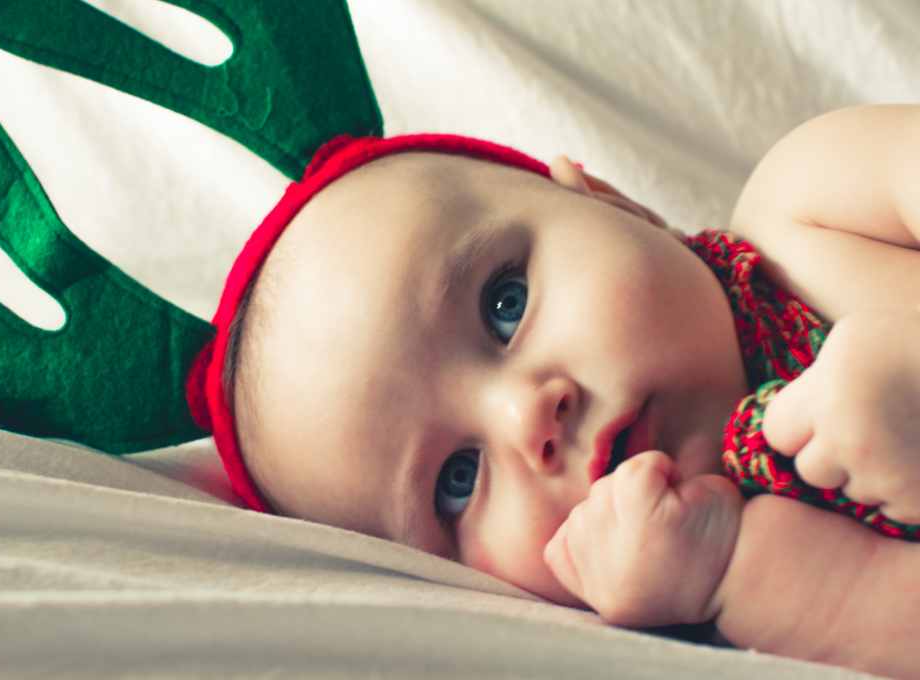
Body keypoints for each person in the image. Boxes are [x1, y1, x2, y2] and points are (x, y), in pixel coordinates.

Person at [186, 105, 920, 678]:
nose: (524, 417)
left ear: (613, 202)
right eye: (457, 481)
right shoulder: (711, 626)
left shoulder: (810, 209)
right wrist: (732, 573)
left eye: (505, 304)